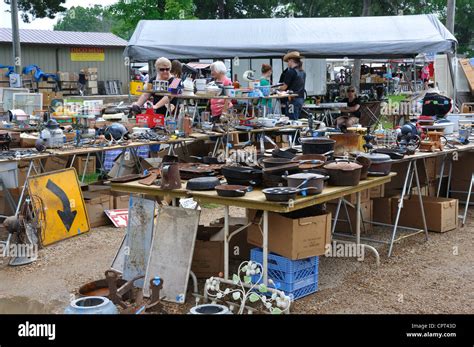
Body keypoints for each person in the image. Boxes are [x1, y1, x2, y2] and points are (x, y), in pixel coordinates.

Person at [279, 51, 306, 120]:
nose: (287, 63)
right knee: (296, 119)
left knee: (291, 120)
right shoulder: (302, 72)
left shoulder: (290, 71)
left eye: (288, 61)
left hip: (292, 99)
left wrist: (275, 89)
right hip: (300, 98)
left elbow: (284, 87)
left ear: (291, 61)